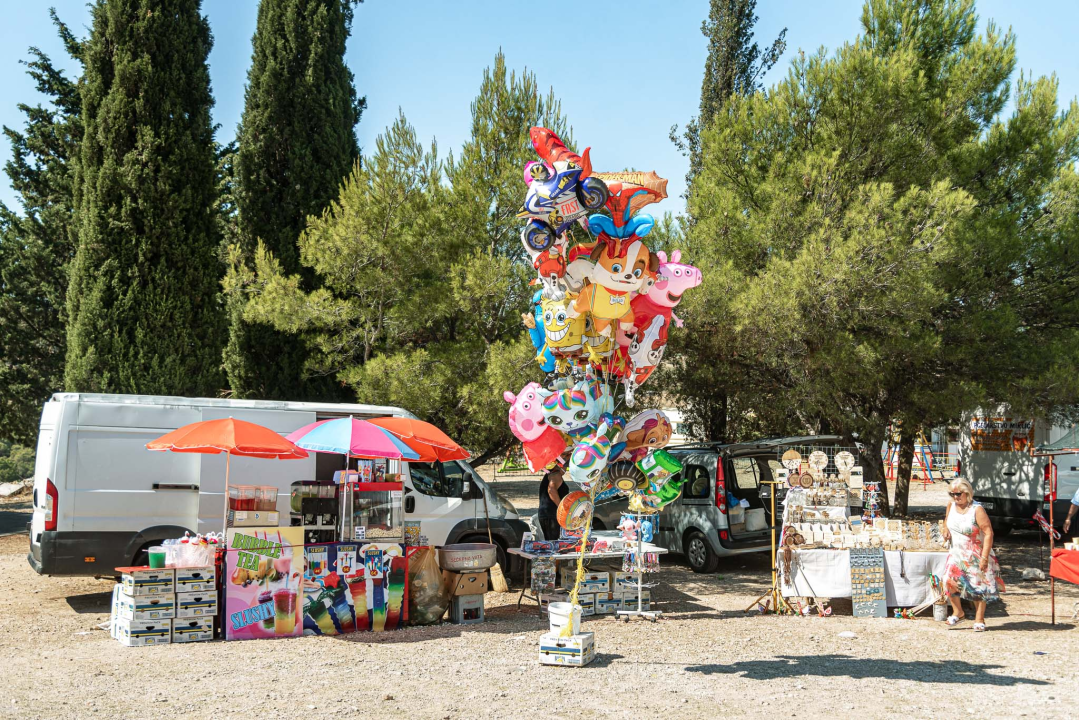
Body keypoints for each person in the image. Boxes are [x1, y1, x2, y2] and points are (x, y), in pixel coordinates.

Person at [942, 478, 1004, 631]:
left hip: (974, 552)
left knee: (977, 586)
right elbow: (947, 519)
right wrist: (945, 528)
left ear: (967, 493)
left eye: (958, 494)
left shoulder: (977, 509)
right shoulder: (951, 505)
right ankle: (958, 612)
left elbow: (988, 533)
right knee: (948, 581)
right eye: (952, 494)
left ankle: (979, 619)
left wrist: (984, 557)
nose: (955, 497)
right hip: (956, 551)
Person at [537, 466, 569, 541]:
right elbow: (551, 490)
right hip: (552, 515)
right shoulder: (555, 475)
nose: (566, 469)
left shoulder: (549, 475)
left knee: (550, 542)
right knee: (554, 542)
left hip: (546, 514)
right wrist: (561, 508)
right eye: (566, 466)